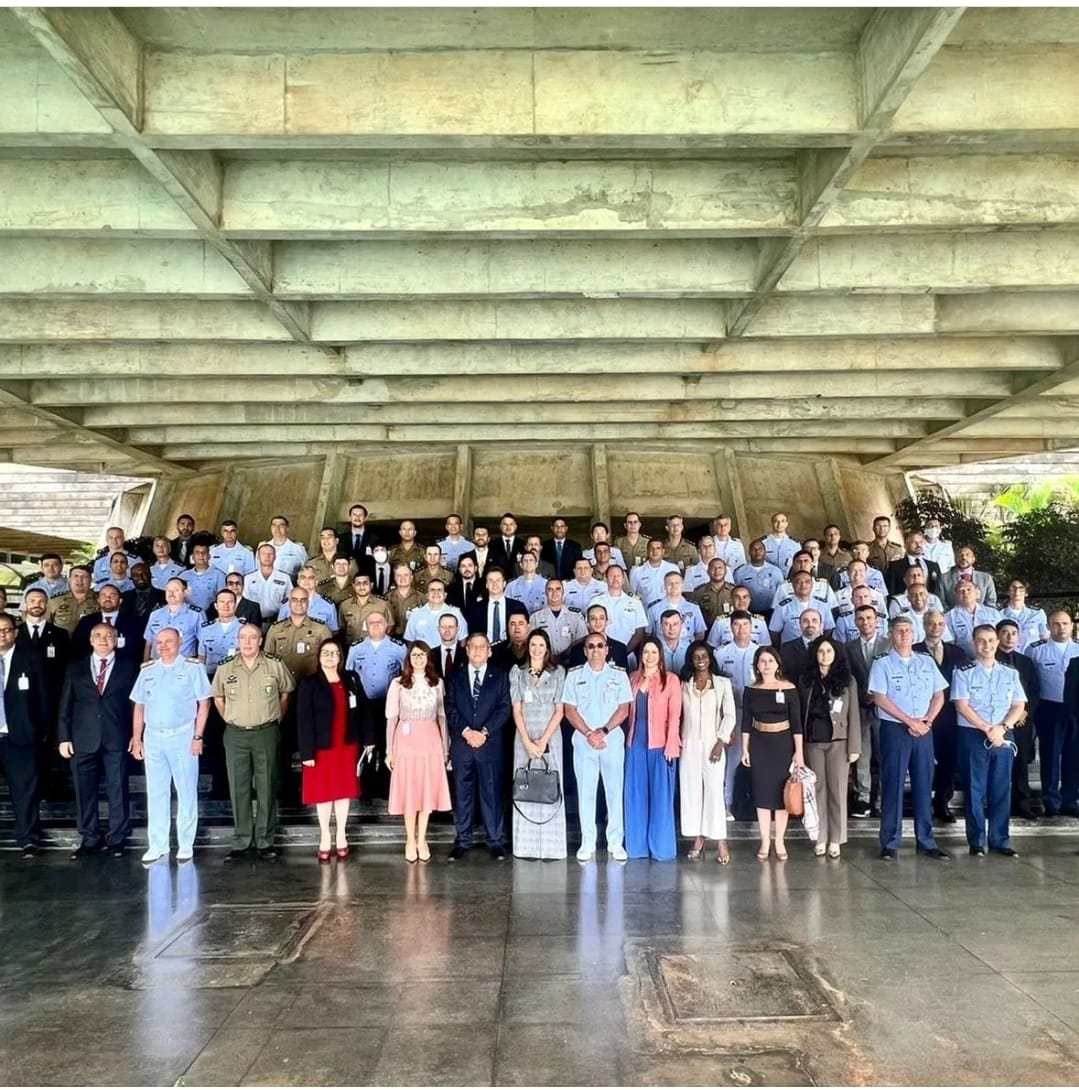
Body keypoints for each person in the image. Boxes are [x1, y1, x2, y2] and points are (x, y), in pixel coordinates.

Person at [211, 623, 296, 860]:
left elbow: (286, 692)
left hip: (266, 732)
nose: (247, 642)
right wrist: (229, 717)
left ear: (260, 640)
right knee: (238, 787)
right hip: (235, 733)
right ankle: (241, 840)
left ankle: (265, 841)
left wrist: (276, 716)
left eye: (252, 638)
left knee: (267, 785)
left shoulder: (274, 664)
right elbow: (218, 697)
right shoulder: (226, 668)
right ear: (237, 641)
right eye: (243, 638)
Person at [869, 616, 950, 861]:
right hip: (896, 729)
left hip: (924, 729)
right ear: (891, 634)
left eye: (908, 630)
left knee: (924, 785)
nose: (904, 634)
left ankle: (926, 841)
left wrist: (927, 721)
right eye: (899, 631)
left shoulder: (926, 661)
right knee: (892, 784)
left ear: (914, 634)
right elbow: (880, 698)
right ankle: (890, 843)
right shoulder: (882, 663)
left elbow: (939, 695)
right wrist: (910, 721)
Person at [129, 627, 211, 864]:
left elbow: (204, 705)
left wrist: (198, 737)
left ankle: (185, 844)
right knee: (156, 792)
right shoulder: (148, 671)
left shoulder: (193, 668)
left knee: (185, 790)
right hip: (154, 736)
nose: (163, 646)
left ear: (180, 641)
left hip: (183, 735)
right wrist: (137, 737)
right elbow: (139, 705)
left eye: (169, 641)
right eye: (159, 642)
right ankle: (158, 844)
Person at [58, 623, 140, 858]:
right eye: (98, 635)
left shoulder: (129, 667)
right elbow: (65, 704)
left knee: (118, 788)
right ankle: (89, 838)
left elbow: (136, 705)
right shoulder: (76, 668)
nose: (103, 639)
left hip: (118, 737)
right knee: (84, 791)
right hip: (83, 738)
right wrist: (63, 737)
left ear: (115, 640)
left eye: (109, 636)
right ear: (91, 640)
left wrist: (137, 736)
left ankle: (117, 838)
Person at [951, 625, 1027, 857]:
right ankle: (976, 842)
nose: (987, 645)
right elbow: (961, 705)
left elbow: (1018, 705)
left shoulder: (1010, 673)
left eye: (991, 640)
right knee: (975, 790)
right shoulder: (963, 672)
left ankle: (1000, 840)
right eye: (982, 641)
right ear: (974, 644)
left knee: (1001, 788)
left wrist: (1002, 728)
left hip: (1003, 735)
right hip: (974, 735)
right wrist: (987, 729)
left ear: (997, 642)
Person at [297, 638, 375, 861]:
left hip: (347, 746)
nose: (331, 657)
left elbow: (364, 709)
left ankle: (341, 834)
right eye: (326, 653)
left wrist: (369, 739)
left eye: (335, 653)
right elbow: (303, 720)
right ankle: (325, 836)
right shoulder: (309, 683)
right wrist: (307, 753)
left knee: (343, 792)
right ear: (319, 657)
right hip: (321, 749)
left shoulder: (351, 678)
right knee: (323, 794)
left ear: (341, 657)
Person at [562, 634, 632, 862]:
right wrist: (589, 734)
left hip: (610, 740)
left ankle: (615, 841)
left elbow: (623, 709)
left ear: (607, 649)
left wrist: (602, 732)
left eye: (599, 646)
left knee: (614, 792)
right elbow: (569, 710)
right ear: (584, 650)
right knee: (586, 792)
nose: (595, 650)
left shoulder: (619, 675)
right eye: (590, 646)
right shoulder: (574, 676)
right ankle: (587, 840)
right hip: (584, 742)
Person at [446, 633, 511, 861]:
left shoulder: (500, 676)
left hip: (489, 744)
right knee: (462, 795)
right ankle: (463, 841)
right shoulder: (455, 677)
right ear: (467, 649)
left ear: (489, 651)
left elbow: (504, 709)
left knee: (492, 794)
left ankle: (495, 841)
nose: (477, 651)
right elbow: (450, 707)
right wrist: (466, 731)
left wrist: (483, 732)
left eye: (482, 647)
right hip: (463, 745)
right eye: (473, 646)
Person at [385, 642, 451, 863]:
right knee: (410, 792)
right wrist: (389, 751)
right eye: (414, 655)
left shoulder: (437, 683)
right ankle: (410, 840)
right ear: (408, 658)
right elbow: (392, 718)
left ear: (428, 658)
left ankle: (422, 838)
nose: (418, 659)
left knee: (426, 792)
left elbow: (442, 717)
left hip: (430, 740)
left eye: (422, 655)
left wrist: (445, 749)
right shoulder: (398, 684)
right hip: (405, 741)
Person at [797, 636, 859, 859]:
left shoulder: (847, 680)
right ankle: (820, 837)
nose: (825, 655)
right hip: (813, 742)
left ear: (836, 654)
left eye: (829, 651)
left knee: (837, 791)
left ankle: (836, 838)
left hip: (839, 742)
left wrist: (854, 746)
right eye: (821, 651)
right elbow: (800, 713)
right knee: (817, 791)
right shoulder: (806, 680)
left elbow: (854, 715)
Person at [741, 646, 804, 862]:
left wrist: (799, 753)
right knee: (762, 794)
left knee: (781, 794)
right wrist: (744, 748)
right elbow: (746, 722)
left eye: (770, 661)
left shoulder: (789, 688)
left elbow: (797, 724)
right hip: (760, 743)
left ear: (777, 664)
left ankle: (779, 841)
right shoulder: (751, 689)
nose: (766, 665)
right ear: (757, 665)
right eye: (762, 661)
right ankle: (765, 841)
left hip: (783, 744)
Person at [509, 629, 567, 860]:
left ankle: (552, 848)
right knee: (526, 785)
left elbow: (560, 710)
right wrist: (526, 740)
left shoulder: (558, 673)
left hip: (550, 735)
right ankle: (526, 847)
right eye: (533, 644)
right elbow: (516, 709)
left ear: (547, 648)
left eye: (541, 645)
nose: (536, 649)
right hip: (524, 735)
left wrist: (542, 741)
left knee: (549, 785)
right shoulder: (517, 673)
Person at [624, 636, 681, 861]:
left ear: (660, 656)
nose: (649, 657)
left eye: (653, 653)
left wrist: (671, 745)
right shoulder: (632, 679)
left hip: (661, 745)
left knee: (661, 798)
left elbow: (675, 715)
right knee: (635, 796)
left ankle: (662, 848)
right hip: (635, 743)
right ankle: (636, 848)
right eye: (645, 652)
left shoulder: (672, 681)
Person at [680, 639, 736, 863]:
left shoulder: (722, 683)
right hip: (689, 743)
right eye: (696, 657)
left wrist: (721, 741)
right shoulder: (684, 683)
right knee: (691, 792)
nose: (701, 660)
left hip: (714, 743)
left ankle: (721, 840)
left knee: (714, 790)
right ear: (691, 660)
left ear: (710, 658)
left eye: (704, 656)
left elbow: (730, 715)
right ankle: (698, 838)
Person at [0, 613, 48, 857]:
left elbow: (44, 698)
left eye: (7, 630)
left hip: (21, 737)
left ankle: (28, 839)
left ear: (15, 633)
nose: (3, 634)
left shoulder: (31, 659)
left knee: (25, 791)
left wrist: (41, 731)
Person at [915, 610, 970, 823]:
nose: (935, 627)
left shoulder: (957, 652)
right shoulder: (914, 651)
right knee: (924, 762)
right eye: (931, 623)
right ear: (924, 625)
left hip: (950, 717)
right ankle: (923, 803)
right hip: (923, 715)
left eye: (939, 623)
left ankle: (942, 803)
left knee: (947, 761)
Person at [846, 605, 891, 819]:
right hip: (859, 707)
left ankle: (882, 800)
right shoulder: (848, 647)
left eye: (869, 618)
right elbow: (846, 676)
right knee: (862, 755)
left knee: (885, 755)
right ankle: (863, 798)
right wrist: (861, 693)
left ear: (877, 620)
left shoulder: (889, 644)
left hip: (886, 708)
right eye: (861, 619)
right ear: (855, 622)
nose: (865, 622)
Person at [995, 619, 1041, 819]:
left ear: (1019, 636)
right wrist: (1006, 718)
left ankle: (1022, 805)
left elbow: (1034, 690)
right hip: (997, 723)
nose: (1009, 637)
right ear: (997, 636)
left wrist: (1024, 712)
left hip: (1021, 722)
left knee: (1021, 763)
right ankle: (998, 807)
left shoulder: (1026, 662)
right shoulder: (990, 659)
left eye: (1013, 633)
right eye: (1005, 632)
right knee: (998, 766)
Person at [71, 584, 143, 662]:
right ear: (98, 600)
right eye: (103, 595)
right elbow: (78, 648)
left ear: (120, 601)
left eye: (112, 595)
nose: (107, 598)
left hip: (124, 668)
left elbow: (136, 649)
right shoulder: (86, 621)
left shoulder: (133, 622)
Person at [529, 579, 588, 662]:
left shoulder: (576, 617)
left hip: (571, 663)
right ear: (545, 593)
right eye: (550, 590)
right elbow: (531, 644)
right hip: (544, 663)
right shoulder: (535, 618)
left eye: (558, 589)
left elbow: (582, 642)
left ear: (563, 592)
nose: (554, 593)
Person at [885, 531, 943, 597]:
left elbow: (939, 590)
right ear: (906, 546)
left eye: (920, 542)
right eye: (914, 542)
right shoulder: (895, 566)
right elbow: (891, 590)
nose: (918, 545)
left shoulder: (933, 566)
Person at [999, 580, 1049, 651]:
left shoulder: (1037, 614)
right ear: (1008, 592)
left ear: (1026, 593)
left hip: (1032, 658)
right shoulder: (999, 615)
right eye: (1013, 588)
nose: (1017, 592)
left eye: (1021, 588)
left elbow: (1045, 638)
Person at [261, 515, 308, 580]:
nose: (277, 528)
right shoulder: (262, 548)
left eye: (281, 525)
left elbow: (306, 571)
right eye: (274, 525)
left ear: (287, 528)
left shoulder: (298, 549)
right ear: (271, 528)